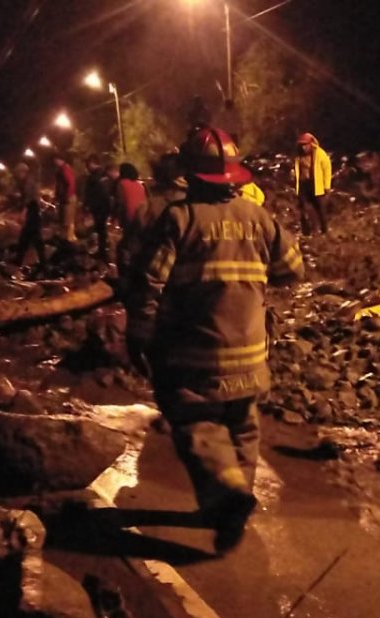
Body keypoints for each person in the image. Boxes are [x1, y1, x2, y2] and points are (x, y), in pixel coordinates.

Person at [126, 126, 304, 553]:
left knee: (197, 426)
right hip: (251, 356)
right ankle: (232, 506)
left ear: (191, 171)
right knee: (243, 428)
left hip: (196, 358)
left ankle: (228, 497)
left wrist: (138, 335)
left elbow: (150, 284)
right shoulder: (259, 218)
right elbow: (293, 269)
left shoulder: (179, 219)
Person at [293, 132, 332, 235]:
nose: (303, 148)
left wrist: (327, 185)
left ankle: (324, 230)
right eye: (302, 145)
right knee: (305, 208)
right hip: (303, 185)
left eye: (305, 145)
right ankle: (309, 231)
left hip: (316, 184)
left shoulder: (320, 154)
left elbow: (327, 169)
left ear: (311, 144)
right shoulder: (298, 155)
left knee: (320, 208)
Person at [12, 162, 47, 270]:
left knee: (31, 238)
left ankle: (42, 263)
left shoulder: (28, 183)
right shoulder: (28, 182)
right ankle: (41, 262)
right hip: (34, 212)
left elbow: (29, 200)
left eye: (19, 173)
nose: (18, 176)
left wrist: (23, 213)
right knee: (28, 238)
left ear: (23, 172)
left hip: (32, 212)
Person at [83, 155, 112, 261]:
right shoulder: (105, 174)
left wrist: (86, 206)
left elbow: (90, 193)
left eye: (87, 165)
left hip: (98, 207)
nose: (87, 168)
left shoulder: (93, 177)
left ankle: (101, 253)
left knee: (99, 230)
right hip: (105, 206)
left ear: (92, 163)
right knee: (101, 231)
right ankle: (102, 251)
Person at [53, 153, 78, 242]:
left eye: (56, 160)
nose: (54, 162)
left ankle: (69, 239)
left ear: (60, 160)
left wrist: (67, 196)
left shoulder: (65, 169)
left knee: (68, 220)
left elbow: (71, 183)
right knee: (63, 220)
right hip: (64, 198)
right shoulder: (60, 170)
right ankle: (64, 238)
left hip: (68, 198)